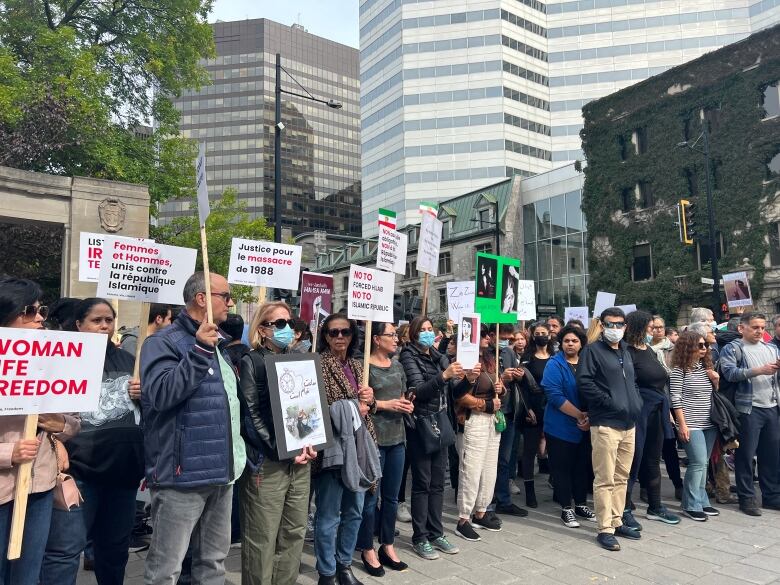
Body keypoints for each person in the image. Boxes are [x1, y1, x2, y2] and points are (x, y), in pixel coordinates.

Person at [139, 272, 246, 584]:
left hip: (222, 474)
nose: (231, 302)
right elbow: (160, 395)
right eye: (225, 296)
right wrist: (199, 351)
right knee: (165, 569)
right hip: (181, 478)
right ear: (203, 299)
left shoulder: (220, 345)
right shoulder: (163, 342)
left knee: (213, 564)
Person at [41, 297, 141, 585]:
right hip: (81, 473)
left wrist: (144, 394)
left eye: (108, 320)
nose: (104, 326)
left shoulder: (128, 360)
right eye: (96, 320)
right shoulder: (62, 360)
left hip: (123, 473)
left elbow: (145, 413)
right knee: (66, 550)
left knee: (114, 550)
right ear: (79, 324)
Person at [0, 279, 80, 585]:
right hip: (4, 486)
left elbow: (73, 420)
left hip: (40, 487)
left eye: (41, 309)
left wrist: (59, 425)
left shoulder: (54, 360)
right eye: (30, 311)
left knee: (27, 574)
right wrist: (9, 453)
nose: (40, 317)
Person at [238, 301, 315, 585]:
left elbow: (306, 408)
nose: (287, 329)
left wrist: (310, 440)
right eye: (279, 324)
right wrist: (280, 450)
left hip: (300, 460)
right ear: (262, 328)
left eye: (290, 323)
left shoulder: (298, 360)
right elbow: (251, 414)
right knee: (262, 537)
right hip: (268, 463)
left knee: (294, 532)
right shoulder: (252, 361)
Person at [313, 314, 379, 585]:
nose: (339, 337)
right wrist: (354, 406)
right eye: (333, 333)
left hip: (360, 448)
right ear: (325, 336)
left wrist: (371, 400)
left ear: (353, 336)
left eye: (345, 332)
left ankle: (344, 565)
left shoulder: (357, 364)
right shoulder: (317, 364)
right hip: (334, 450)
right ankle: (327, 573)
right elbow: (315, 408)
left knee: (355, 511)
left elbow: (367, 411)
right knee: (328, 515)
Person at [399, 315, 469, 560]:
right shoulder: (408, 356)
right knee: (423, 483)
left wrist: (468, 381)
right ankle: (420, 537)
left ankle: (436, 532)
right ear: (414, 334)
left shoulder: (439, 358)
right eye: (423, 330)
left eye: (431, 329)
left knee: (438, 483)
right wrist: (444, 376)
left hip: (441, 422)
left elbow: (454, 392)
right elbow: (418, 391)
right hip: (421, 425)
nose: (428, 333)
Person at [577, 307, 643, 551]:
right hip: (606, 423)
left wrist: (635, 401)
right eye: (610, 324)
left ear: (625, 326)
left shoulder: (625, 350)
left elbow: (633, 381)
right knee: (604, 478)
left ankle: (616, 520)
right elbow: (584, 382)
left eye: (619, 324)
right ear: (601, 325)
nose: (615, 329)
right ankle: (604, 528)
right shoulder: (592, 351)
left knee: (621, 476)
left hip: (629, 423)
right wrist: (609, 401)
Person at [356, 322, 412, 576]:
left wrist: (406, 404)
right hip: (372, 440)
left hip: (397, 439)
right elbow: (360, 403)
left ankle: (387, 545)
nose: (396, 339)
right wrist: (385, 404)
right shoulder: (362, 367)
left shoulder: (398, 365)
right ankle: (366, 546)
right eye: (391, 335)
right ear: (376, 339)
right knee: (370, 499)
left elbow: (401, 394)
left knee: (391, 497)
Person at [621, 311, 680, 530]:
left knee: (653, 458)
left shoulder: (649, 351)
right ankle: (624, 508)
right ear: (639, 327)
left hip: (657, 409)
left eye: (655, 327)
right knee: (632, 460)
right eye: (649, 327)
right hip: (638, 411)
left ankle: (655, 505)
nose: (653, 331)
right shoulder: (626, 352)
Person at [719, 312, 780, 516]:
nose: (760, 331)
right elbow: (729, 373)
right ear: (742, 328)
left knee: (770, 455)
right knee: (745, 456)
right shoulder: (733, 348)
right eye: (755, 327)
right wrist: (758, 370)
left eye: (762, 327)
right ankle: (747, 498)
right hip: (748, 409)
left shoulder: (771, 348)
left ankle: (771, 496)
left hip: (772, 407)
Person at [542, 325, 596, 528]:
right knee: (562, 468)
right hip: (560, 425)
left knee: (582, 467)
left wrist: (589, 416)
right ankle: (566, 507)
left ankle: (581, 504)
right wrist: (580, 415)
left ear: (581, 343)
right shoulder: (554, 364)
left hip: (587, 424)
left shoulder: (587, 363)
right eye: (566, 341)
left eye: (574, 341)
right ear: (561, 343)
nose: (570, 344)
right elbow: (554, 395)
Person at [453, 328, 500, 541]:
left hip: (492, 420)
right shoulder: (463, 361)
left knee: (489, 469)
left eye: (489, 335)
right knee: (471, 470)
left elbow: (496, 388)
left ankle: (481, 511)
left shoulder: (491, 359)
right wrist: (486, 404)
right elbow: (460, 396)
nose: (488, 338)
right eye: (483, 335)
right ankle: (463, 518)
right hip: (473, 419)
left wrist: (502, 387)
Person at [669, 331, 721, 521]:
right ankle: (690, 504)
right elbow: (675, 399)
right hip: (691, 423)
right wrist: (682, 425)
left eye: (705, 345)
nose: (704, 348)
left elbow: (713, 395)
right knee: (697, 462)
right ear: (687, 347)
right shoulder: (678, 370)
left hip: (710, 423)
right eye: (699, 345)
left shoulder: (705, 366)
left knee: (704, 464)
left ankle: (701, 500)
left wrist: (715, 380)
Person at [493, 325, 531, 517]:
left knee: (504, 460)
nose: (508, 343)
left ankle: (502, 499)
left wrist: (515, 376)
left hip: (508, 412)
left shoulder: (508, 353)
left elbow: (513, 383)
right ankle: (487, 501)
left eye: (511, 339)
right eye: (505, 339)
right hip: (489, 412)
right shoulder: (483, 354)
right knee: (491, 460)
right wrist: (501, 378)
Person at [519, 321, 554, 507]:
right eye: (538, 332)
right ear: (533, 336)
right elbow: (522, 386)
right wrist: (528, 408)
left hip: (554, 409)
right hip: (533, 409)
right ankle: (530, 492)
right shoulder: (527, 357)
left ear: (549, 335)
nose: (541, 335)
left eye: (544, 332)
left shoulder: (556, 357)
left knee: (555, 449)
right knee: (530, 451)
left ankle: (557, 485)